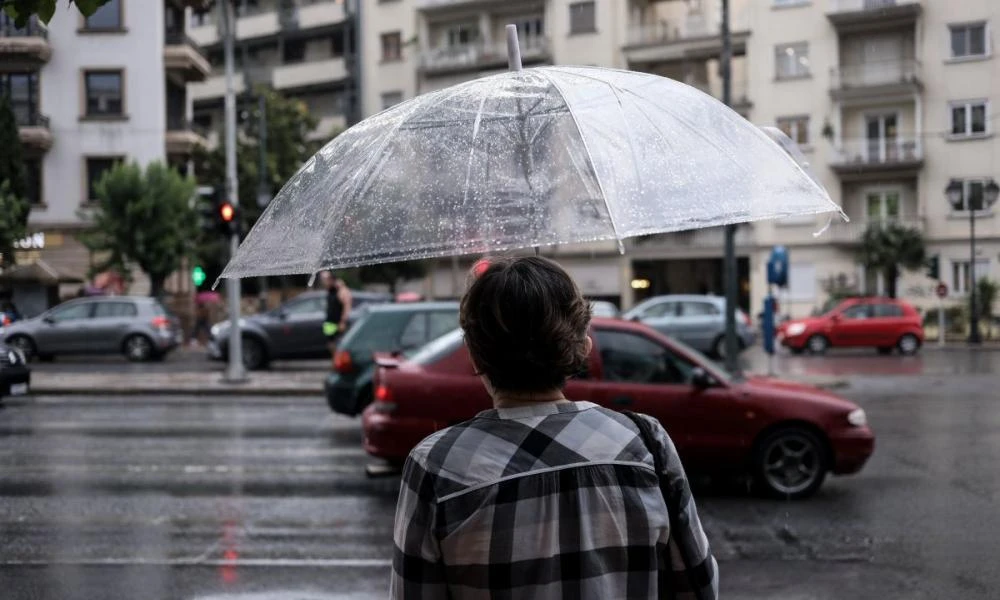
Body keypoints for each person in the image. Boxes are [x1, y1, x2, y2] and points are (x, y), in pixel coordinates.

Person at [391, 256, 718, 599]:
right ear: (583, 348)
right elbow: (700, 588)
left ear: (474, 354)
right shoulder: (646, 444)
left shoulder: (436, 465)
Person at [321, 271, 352, 368]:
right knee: (330, 343)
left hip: (338, 322)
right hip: (329, 322)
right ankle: (335, 361)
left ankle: (339, 362)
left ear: (331, 279)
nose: (323, 282)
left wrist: (343, 321)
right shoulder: (329, 290)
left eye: (325, 279)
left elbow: (347, 305)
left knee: (340, 344)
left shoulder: (340, 289)